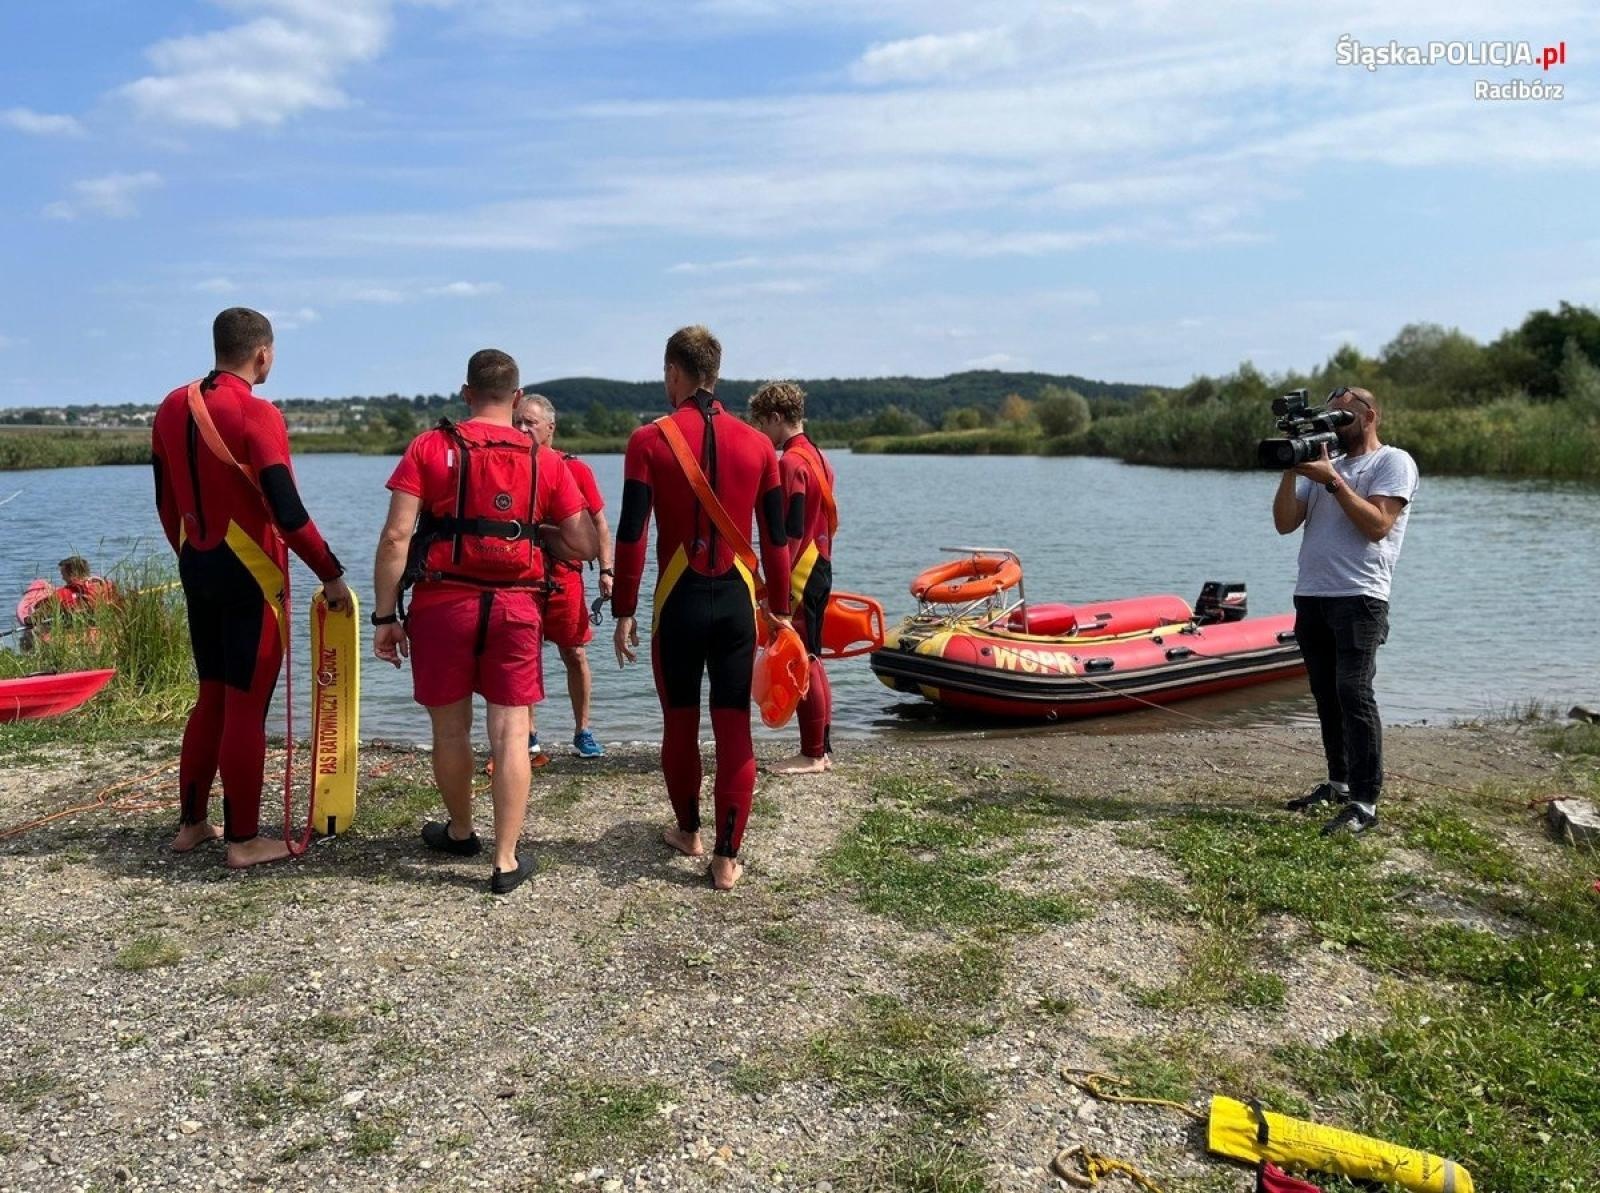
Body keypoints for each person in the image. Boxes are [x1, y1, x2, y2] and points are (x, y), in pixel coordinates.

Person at [370, 349, 595, 894]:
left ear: (467, 392)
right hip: (517, 607)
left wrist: (384, 616)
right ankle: (505, 859)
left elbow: (397, 537)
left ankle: (462, 830)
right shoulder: (548, 460)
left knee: (450, 729)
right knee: (512, 731)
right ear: (517, 398)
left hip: (443, 605)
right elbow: (583, 543)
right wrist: (528, 532)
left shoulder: (431, 446)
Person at [151, 307, 352, 868]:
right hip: (250, 571)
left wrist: (193, 555)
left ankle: (192, 825)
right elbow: (287, 511)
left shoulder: (170, 406)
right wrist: (330, 574)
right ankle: (243, 840)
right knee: (247, 704)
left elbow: (165, 501)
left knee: (211, 692)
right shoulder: (258, 413)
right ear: (262, 353)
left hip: (198, 560)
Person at [612, 326, 791, 890]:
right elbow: (778, 542)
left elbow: (632, 534)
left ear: (674, 371)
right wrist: (781, 610)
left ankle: (688, 832)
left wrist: (623, 608)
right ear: (715, 370)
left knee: (681, 723)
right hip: (738, 601)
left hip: (678, 599)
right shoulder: (761, 445)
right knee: (734, 726)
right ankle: (726, 858)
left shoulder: (648, 440)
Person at [1272, 385, 1418, 836]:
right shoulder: (1325, 466)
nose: (1334, 424)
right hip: (1312, 594)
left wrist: (1332, 480)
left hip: (1360, 596)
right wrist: (1292, 470)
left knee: (1354, 694)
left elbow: (1377, 526)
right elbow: (1284, 524)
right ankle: (1338, 783)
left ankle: (1365, 801)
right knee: (1326, 695)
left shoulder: (1391, 461)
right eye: (1330, 416)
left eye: (1343, 417)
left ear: (1369, 415)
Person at [514, 393, 614, 761]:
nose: (523, 429)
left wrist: (606, 570)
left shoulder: (575, 469)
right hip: (521, 575)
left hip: (565, 575)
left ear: (550, 428)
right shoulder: (509, 465)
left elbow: (600, 523)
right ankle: (529, 734)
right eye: (518, 422)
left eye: (530, 423)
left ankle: (583, 730)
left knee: (574, 652)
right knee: (524, 655)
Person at [748, 381, 835, 775]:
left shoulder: (789, 463)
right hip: (819, 565)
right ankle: (822, 748)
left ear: (776, 418)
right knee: (814, 656)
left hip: (800, 569)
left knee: (805, 660)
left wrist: (776, 595)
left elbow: (791, 532)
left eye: (761, 424)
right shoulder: (817, 456)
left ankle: (812, 754)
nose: (760, 434)